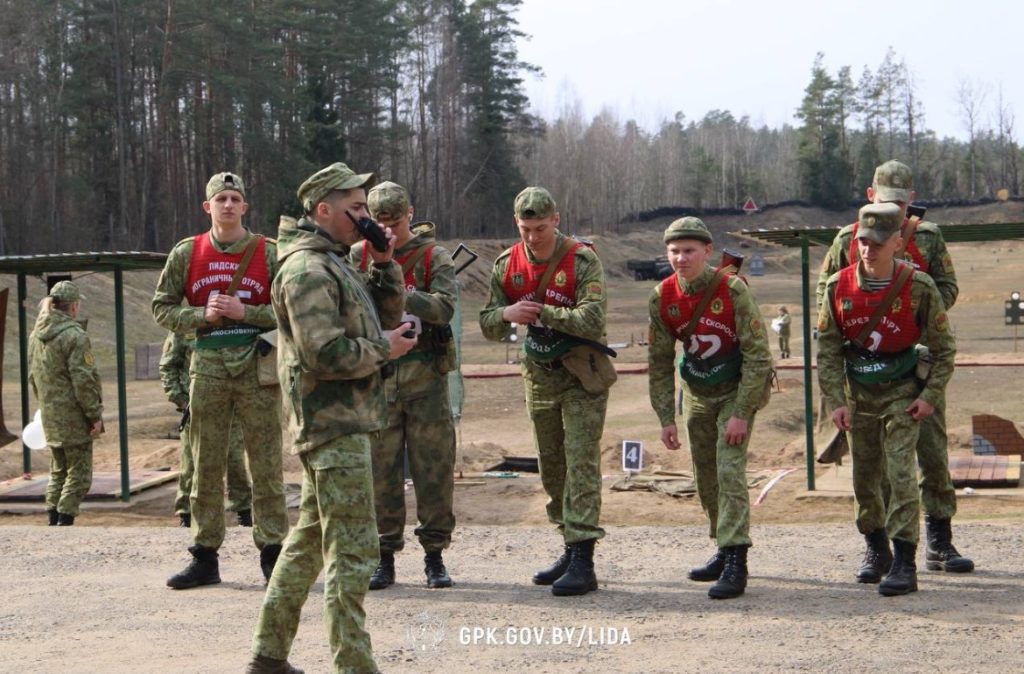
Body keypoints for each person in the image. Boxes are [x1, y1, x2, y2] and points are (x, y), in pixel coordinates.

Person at [246, 163, 415, 674]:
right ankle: (354, 665)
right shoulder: (306, 270)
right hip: (331, 423)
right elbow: (324, 353)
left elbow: (381, 317)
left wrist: (384, 264)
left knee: (307, 545)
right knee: (355, 550)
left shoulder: (335, 262)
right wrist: (383, 350)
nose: (366, 217)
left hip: (345, 419)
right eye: (356, 209)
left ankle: (268, 657)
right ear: (324, 210)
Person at [816, 159, 973, 575]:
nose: (894, 208)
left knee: (932, 453)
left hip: (917, 362)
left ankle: (939, 540)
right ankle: (879, 545)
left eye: (901, 202)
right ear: (870, 197)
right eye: (885, 200)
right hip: (864, 366)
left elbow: (948, 287)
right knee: (872, 464)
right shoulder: (848, 240)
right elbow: (826, 293)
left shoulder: (928, 238)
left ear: (912, 202)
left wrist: (914, 309)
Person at [152, 171, 289, 589]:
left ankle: (272, 554)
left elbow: (290, 309)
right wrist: (202, 317)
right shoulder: (186, 253)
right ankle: (204, 555)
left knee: (265, 464)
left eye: (235, 198)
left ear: (245, 206)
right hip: (207, 366)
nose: (228, 205)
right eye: (221, 199)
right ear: (207, 207)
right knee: (205, 464)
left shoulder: (269, 253)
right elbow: (162, 308)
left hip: (256, 367)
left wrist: (247, 313)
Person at [479, 186, 614, 597]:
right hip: (538, 375)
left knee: (581, 463)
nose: (533, 237)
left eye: (540, 227)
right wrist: (506, 313)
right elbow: (488, 323)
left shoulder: (582, 260)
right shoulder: (508, 265)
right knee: (551, 466)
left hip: (580, 376)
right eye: (525, 228)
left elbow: (592, 318)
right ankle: (569, 545)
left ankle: (584, 558)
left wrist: (541, 312)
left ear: (556, 219)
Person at [647, 217, 772, 599]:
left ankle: (737, 559)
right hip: (698, 392)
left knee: (730, 470)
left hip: (736, 390)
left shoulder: (732, 290)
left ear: (706, 252)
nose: (681, 258)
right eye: (674, 251)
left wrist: (742, 411)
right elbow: (659, 360)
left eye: (689, 251)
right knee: (705, 476)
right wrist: (666, 416)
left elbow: (758, 355)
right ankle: (722, 542)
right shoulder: (662, 296)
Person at [353, 181, 458, 591]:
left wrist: (401, 289)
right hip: (380, 376)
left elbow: (445, 307)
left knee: (434, 468)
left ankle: (434, 555)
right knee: (381, 471)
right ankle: (384, 555)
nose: (389, 230)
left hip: (425, 375)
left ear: (410, 214)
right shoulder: (357, 256)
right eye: (380, 223)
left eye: (395, 222)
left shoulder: (434, 256)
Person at [159, 330, 253, 529]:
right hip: (197, 407)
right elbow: (168, 365)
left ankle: (244, 513)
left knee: (235, 461)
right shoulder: (185, 326)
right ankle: (186, 513)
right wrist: (181, 399)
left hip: (233, 406)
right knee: (192, 462)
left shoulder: (236, 324)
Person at [29, 280, 104, 526]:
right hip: (73, 415)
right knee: (79, 473)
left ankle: (53, 517)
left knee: (58, 469)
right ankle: (65, 519)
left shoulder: (36, 336)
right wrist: (94, 415)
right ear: (73, 306)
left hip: (50, 414)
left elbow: (33, 376)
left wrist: (46, 405)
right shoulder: (74, 336)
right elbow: (83, 380)